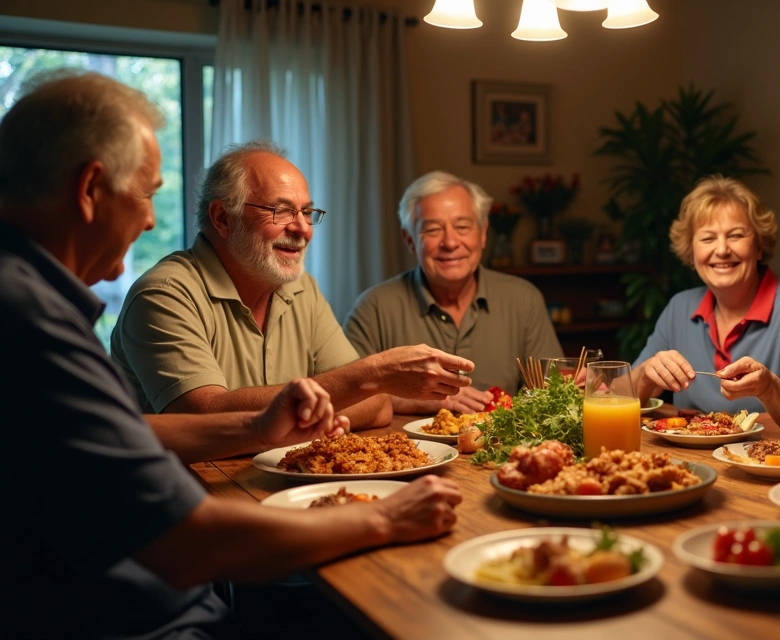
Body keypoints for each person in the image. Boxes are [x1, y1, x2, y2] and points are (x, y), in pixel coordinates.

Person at [0, 71, 464, 638]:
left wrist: (261, 425)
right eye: (146, 194)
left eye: (308, 213)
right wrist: (386, 517)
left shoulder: (27, 296)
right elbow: (187, 542)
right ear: (89, 187)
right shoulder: (28, 318)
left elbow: (128, 431)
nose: (150, 219)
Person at [110, 142, 476, 433]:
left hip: (279, 484)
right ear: (222, 218)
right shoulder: (164, 294)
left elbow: (375, 405)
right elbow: (201, 419)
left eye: (307, 212)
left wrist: (360, 388)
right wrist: (371, 376)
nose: (303, 228)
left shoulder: (302, 288)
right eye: (282, 211)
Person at [631, 176, 780, 440]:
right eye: (707, 239)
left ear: (759, 246)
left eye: (736, 235)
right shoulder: (679, 307)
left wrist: (770, 389)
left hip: (764, 468)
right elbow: (614, 399)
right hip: (690, 460)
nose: (722, 250)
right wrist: (647, 375)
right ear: (690, 253)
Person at [345, 171, 561, 409]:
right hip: (410, 445)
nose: (450, 243)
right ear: (409, 239)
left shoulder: (524, 299)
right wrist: (424, 400)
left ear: (482, 234)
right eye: (433, 229)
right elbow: (346, 398)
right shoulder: (374, 308)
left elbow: (551, 387)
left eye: (462, 226)